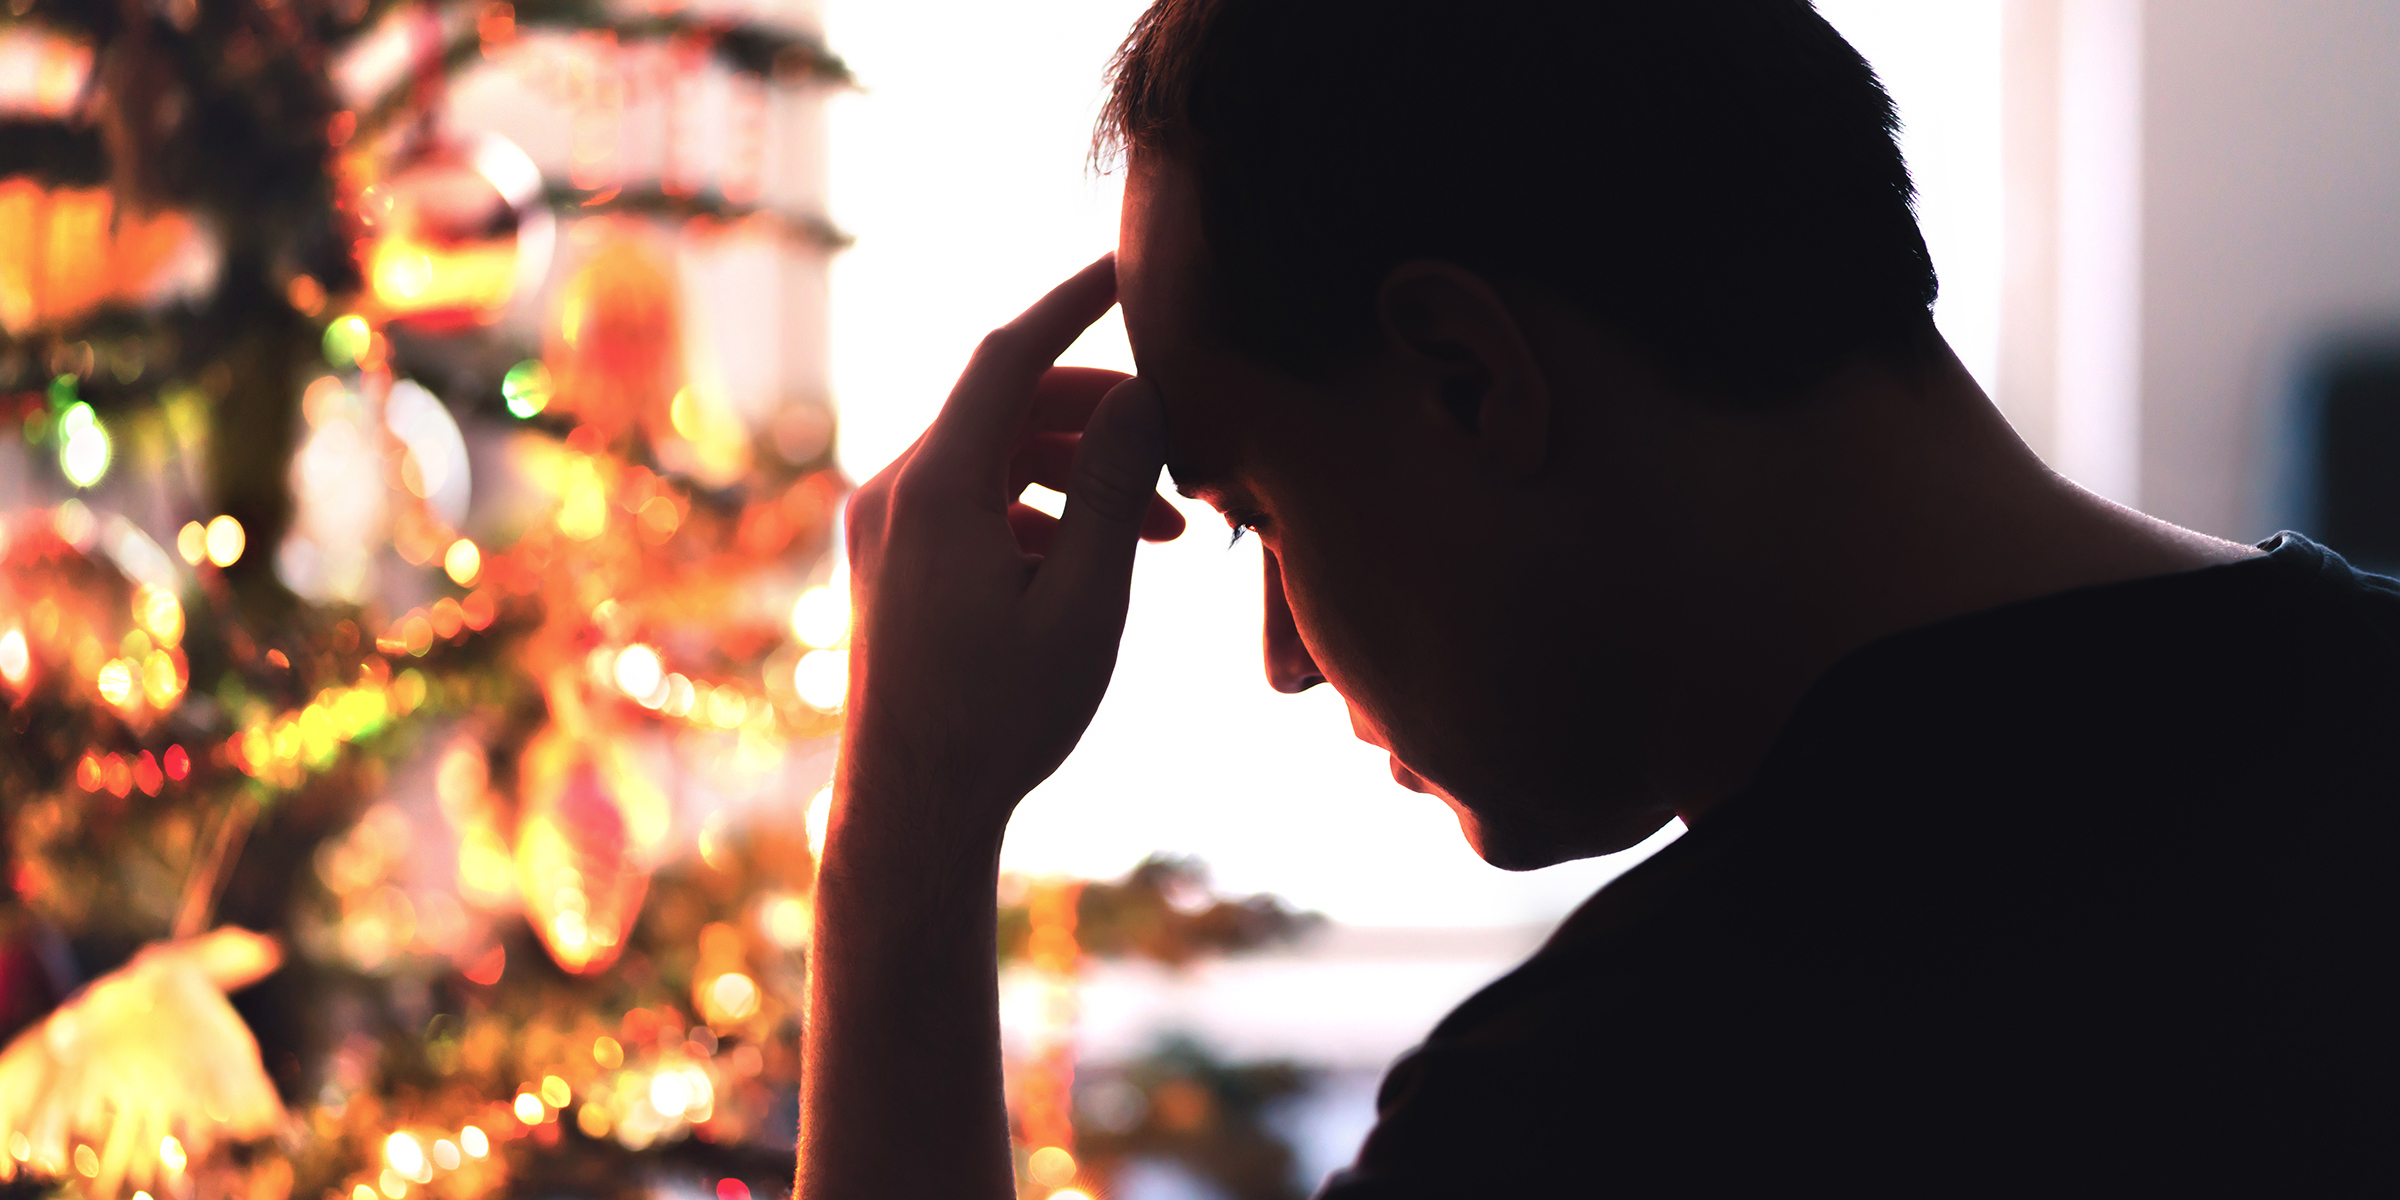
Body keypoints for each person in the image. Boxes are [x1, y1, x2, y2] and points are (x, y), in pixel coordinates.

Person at [799, 0, 2400, 1193]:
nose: (1285, 659)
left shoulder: (1615, 1112)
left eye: (1262, 518)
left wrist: (906, 831)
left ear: (1468, 375)